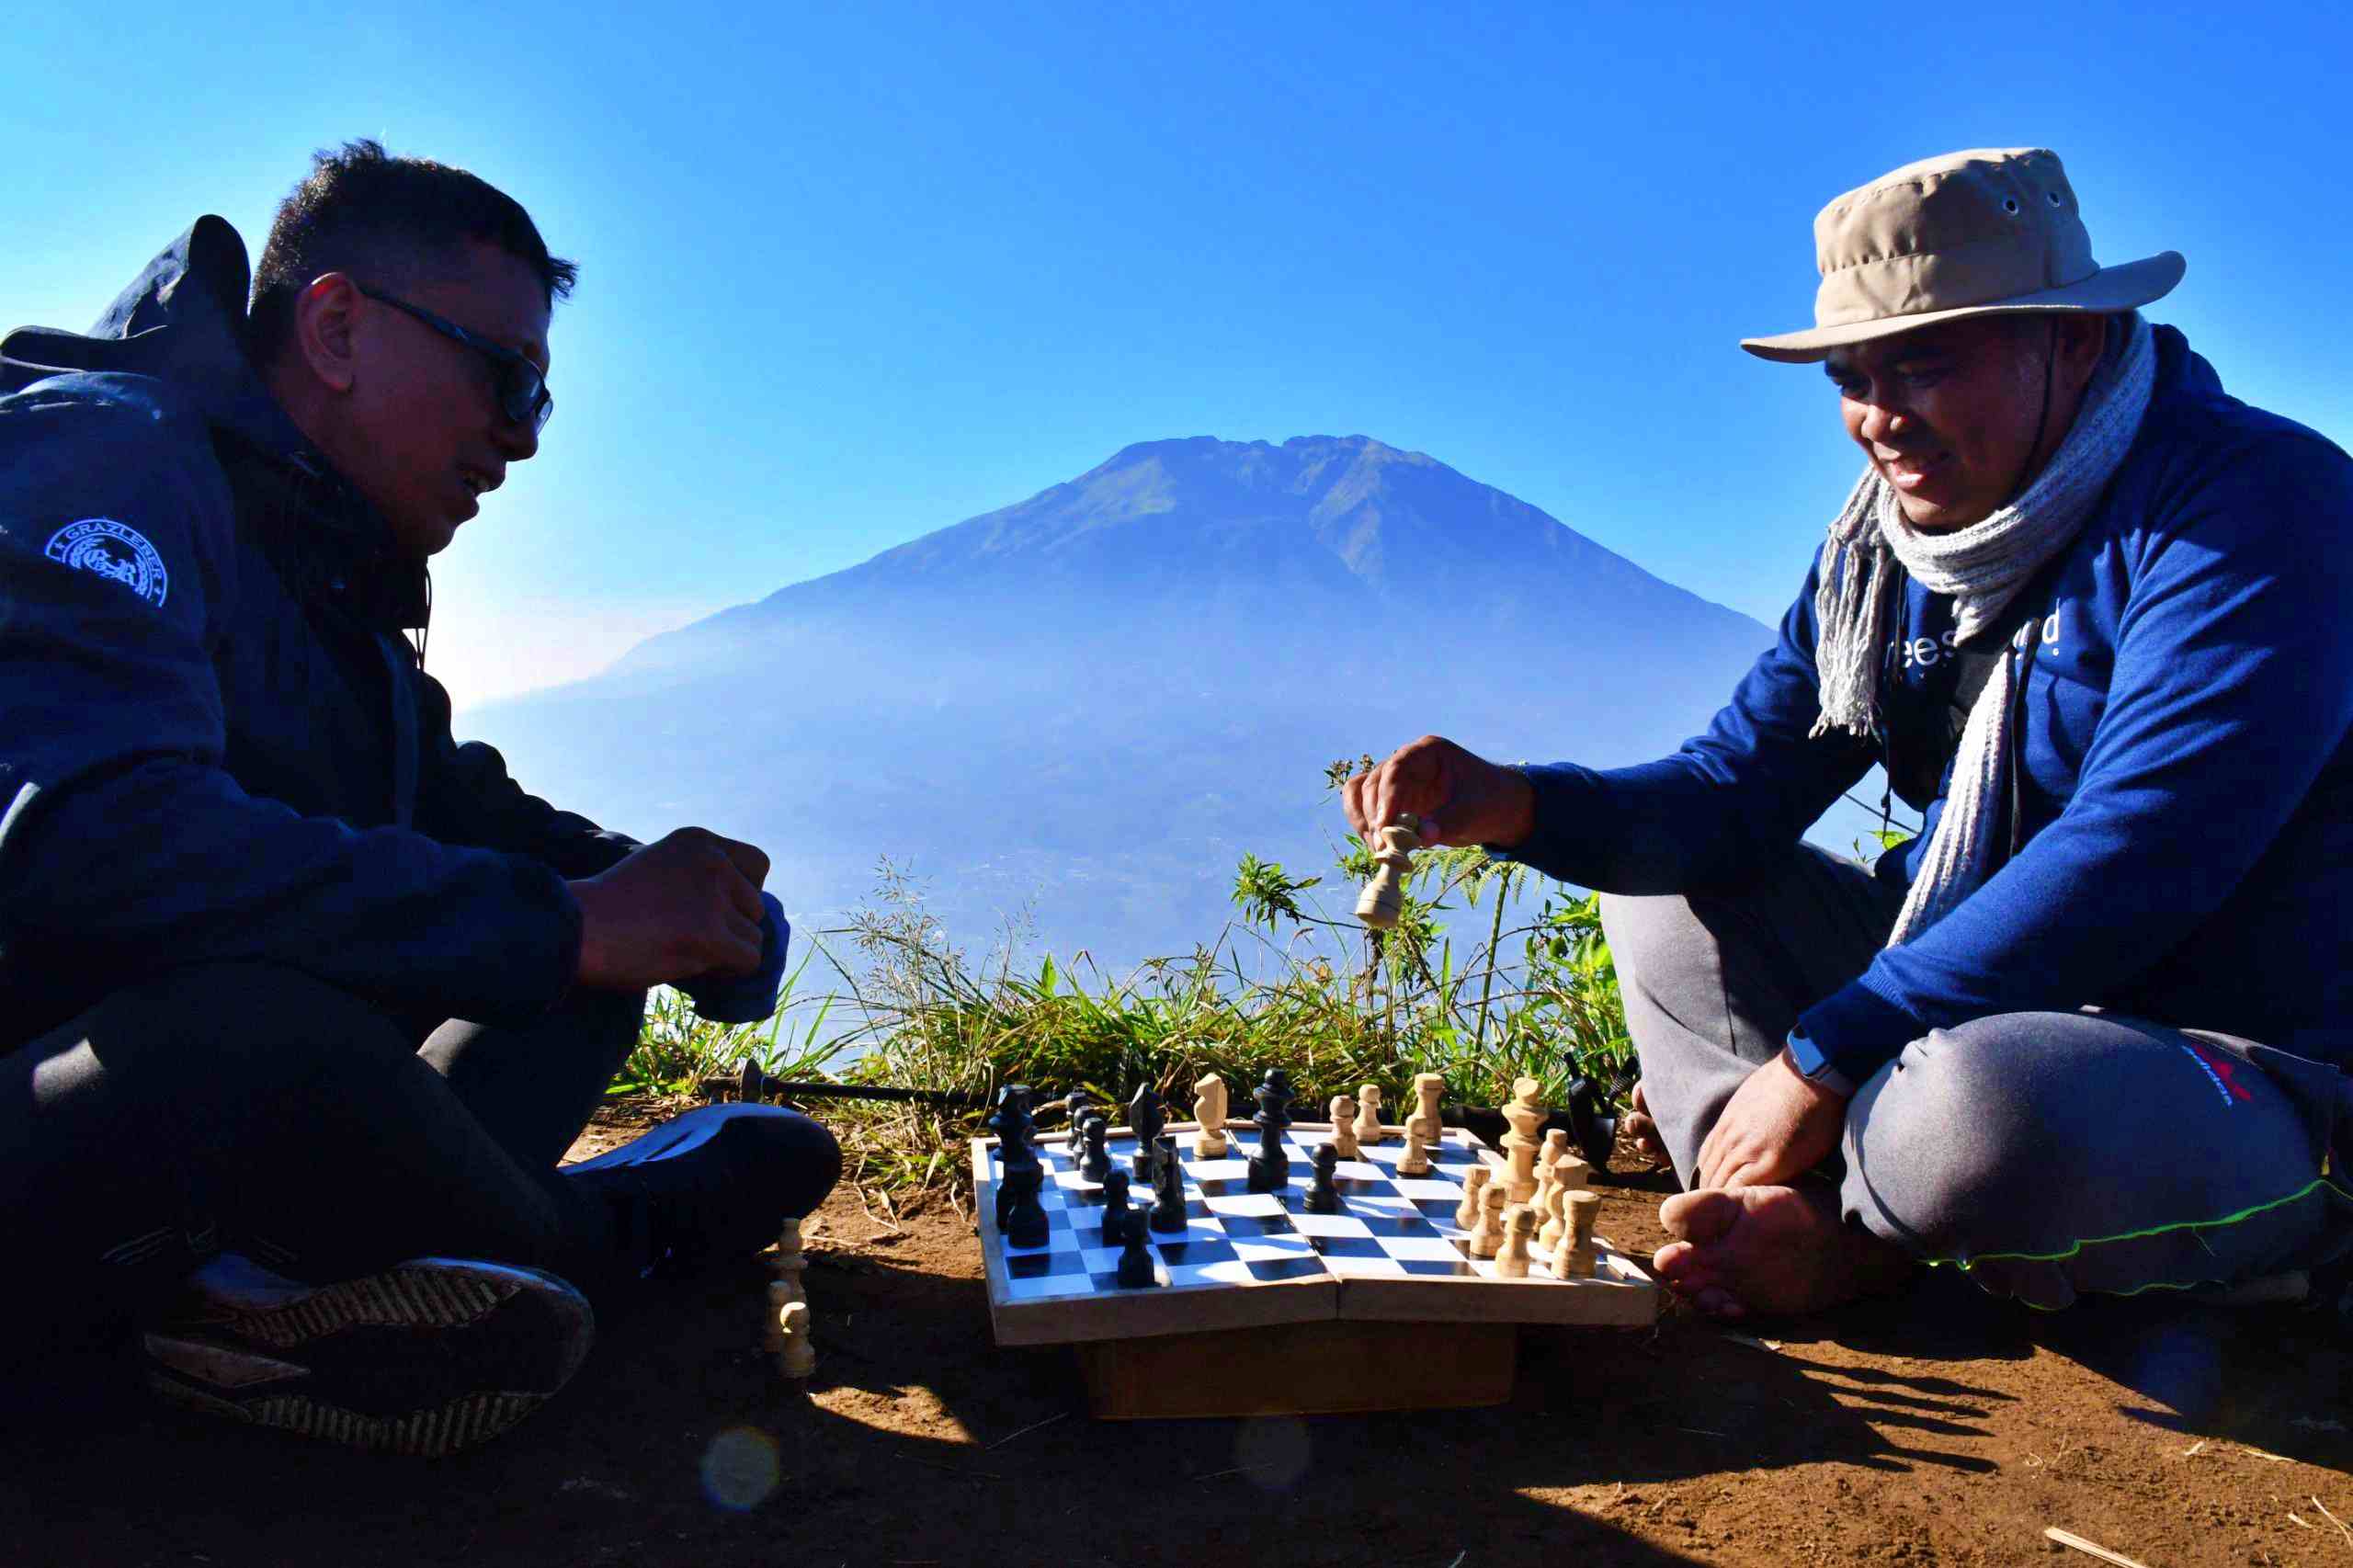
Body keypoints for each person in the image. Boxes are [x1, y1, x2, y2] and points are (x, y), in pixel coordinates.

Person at [1346, 147, 2353, 1323]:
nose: (1879, 418)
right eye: (1848, 376)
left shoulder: (2256, 508)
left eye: (1922, 362)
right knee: (1659, 892)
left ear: (2072, 339)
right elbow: (1732, 791)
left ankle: (1869, 1232)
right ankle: (1776, 1213)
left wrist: (1825, 1054)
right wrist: (1517, 803)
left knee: (1976, 1117)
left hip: (2227, 1055)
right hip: (1973, 1010)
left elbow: (2148, 845)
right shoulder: (1885, 556)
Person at [0, 141, 840, 1453]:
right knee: (256, 1025)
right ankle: (574, 1246)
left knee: (578, 966)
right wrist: (564, 919)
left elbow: (470, 814)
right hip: (74, 1115)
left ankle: (287, 1303)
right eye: (503, 377)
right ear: (337, 327)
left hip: (227, 1163)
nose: (517, 437)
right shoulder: (103, 460)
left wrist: (674, 905)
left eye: (542, 406)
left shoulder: (332, 574)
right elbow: (99, 845)